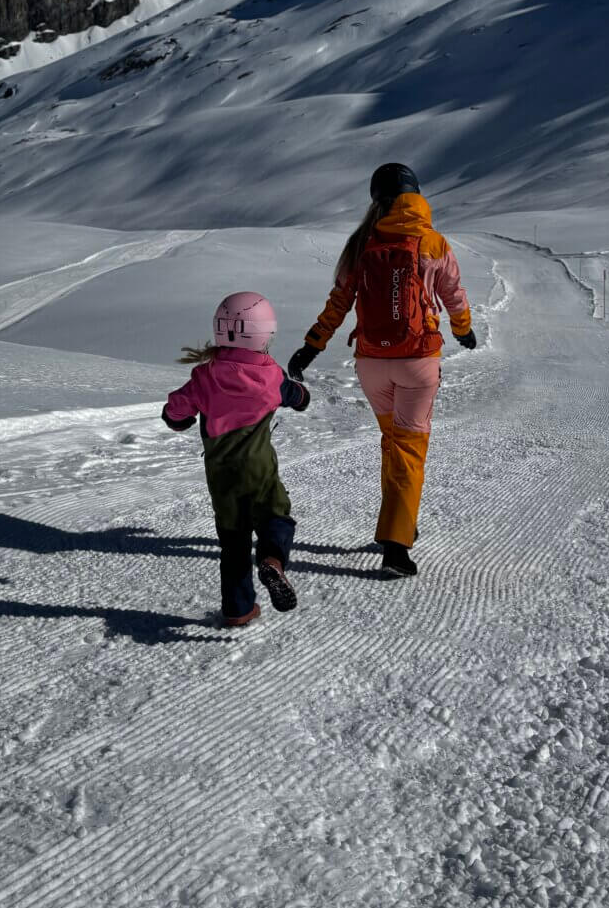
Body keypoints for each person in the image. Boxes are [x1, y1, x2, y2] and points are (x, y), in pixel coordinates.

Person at [288, 164, 475, 577]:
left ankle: (400, 522)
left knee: (393, 442)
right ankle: (395, 545)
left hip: (372, 364)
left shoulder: (361, 243)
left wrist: (311, 346)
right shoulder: (433, 241)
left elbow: (339, 301)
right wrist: (464, 331)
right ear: (416, 195)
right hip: (418, 362)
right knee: (409, 448)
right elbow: (454, 295)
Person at [163, 291, 310, 627]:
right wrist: (301, 396)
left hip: (221, 477)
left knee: (233, 542)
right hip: (259, 471)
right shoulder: (271, 376)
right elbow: (298, 396)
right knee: (276, 516)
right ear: (266, 333)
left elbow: (175, 412)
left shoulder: (205, 376)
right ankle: (273, 560)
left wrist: (178, 419)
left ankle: (238, 610)